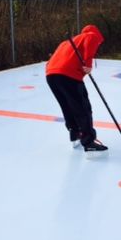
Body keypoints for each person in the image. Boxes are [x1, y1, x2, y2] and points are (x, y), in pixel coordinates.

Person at [46, 25, 108, 154]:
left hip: (51, 75)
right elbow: (90, 42)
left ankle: (75, 133)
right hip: (69, 76)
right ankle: (89, 142)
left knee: (67, 106)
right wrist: (88, 64)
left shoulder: (67, 42)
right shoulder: (92, 35)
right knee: (82, 108)